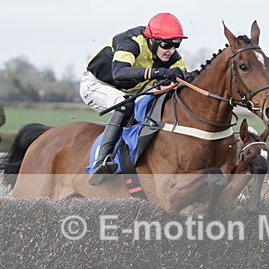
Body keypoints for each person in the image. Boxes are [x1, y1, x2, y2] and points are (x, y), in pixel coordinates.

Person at [80, 12, 190, 185]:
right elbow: (119, 72)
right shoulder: (131, 42)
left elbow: (187, 77)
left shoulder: (168, 53)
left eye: (177, 45)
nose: (172, 50)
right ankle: (100, 162)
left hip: (131, 89)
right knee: (125, 105)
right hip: (97, 84)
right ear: (152, 40)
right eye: (167, 45)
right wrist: (158, 72)